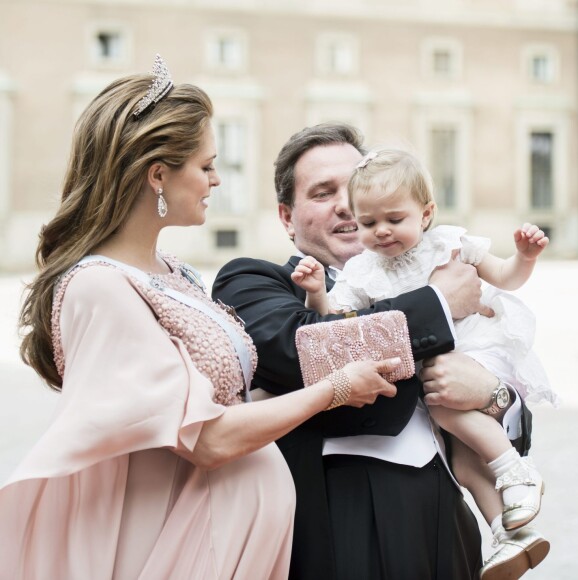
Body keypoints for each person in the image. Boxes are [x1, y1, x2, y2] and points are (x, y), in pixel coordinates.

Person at [0, 57, 402, 580]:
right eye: (206, 165)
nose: (217, 178)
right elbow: (205, 439)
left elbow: (227, 398)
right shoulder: (99, 287)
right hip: (178, 548)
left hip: (230, 547)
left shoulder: (174, 273)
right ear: (159, 175)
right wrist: (335, 387)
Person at [212, 122, 538, 580]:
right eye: (324, 192)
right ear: (287, 217)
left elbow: (509, 430)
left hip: (448, 525)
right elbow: (304, 346)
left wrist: (491, 395)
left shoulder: (438, 260)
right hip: (340, 527)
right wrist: (439, 302)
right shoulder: (252, 281)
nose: (348, 204)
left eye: (355, 187)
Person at [292, 145, 556, 579]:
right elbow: (331, 325)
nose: (380, 232)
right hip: (429, 390)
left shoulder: (450, 244)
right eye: (368, 222)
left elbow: (506, 277)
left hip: (475, 345)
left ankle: (515, 469)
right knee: (465, 460)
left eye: (394, 220)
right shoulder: (363, 271)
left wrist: (525, 257)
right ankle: (508, 534)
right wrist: (316, 291)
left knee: (441, 403)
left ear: (426, 212)